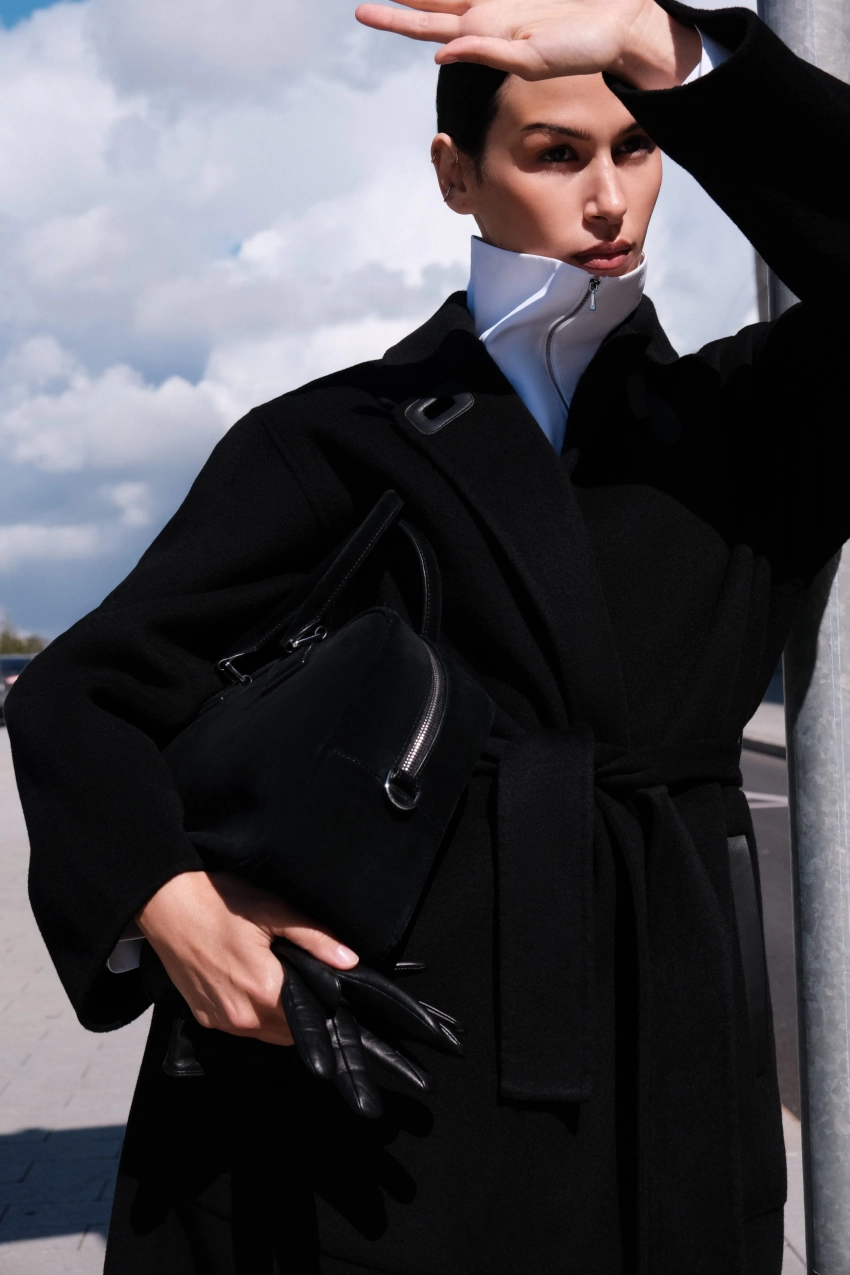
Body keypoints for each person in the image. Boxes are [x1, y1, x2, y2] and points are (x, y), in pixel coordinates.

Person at [6, 0, 849, 1269]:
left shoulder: (748, 423)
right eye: (555, 153)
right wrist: (168, 902)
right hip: (382, 1093)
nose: (608, 197)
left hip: (667, 1063)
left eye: (638, 146)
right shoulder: (335, 439)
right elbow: (82, 693)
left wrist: (669, 49)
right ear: (456, 174)